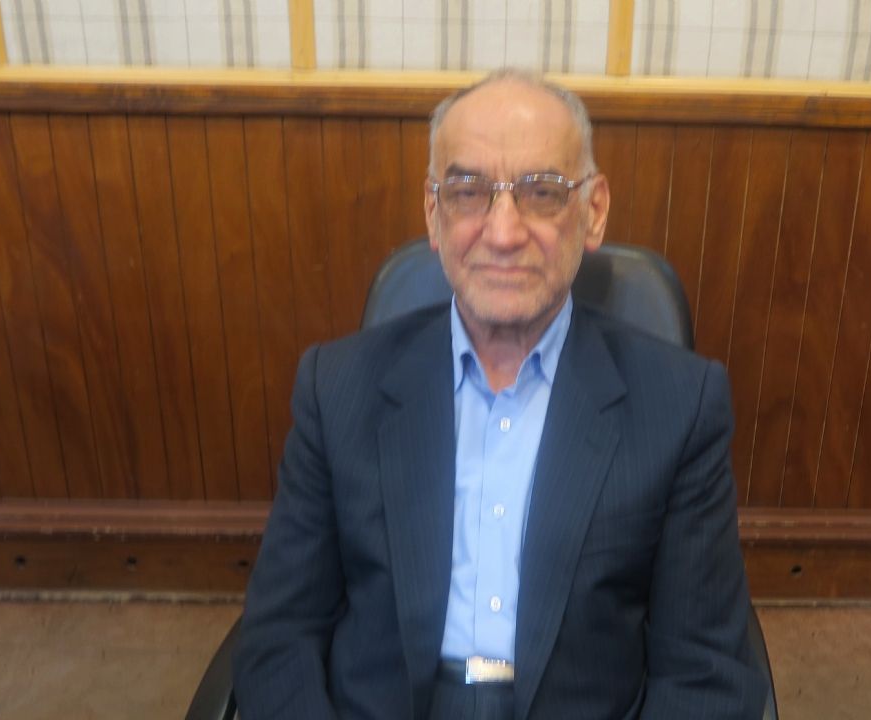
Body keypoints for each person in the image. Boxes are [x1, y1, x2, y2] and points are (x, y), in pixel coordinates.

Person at [233, 69, 766, 719]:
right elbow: (279, 636)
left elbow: (706, 670)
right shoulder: (338, 387)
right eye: (468, 192)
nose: (504, 233)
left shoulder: (680, 404)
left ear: (594, 211)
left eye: (542, 193)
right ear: (433, 214)